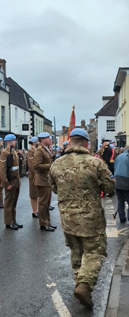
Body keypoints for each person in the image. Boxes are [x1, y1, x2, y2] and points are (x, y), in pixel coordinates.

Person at [49, 128, 115, 307]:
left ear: (70, 142)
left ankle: (79, 282)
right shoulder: (95, 163)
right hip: (90, 218)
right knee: (94, 252)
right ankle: (84, 285)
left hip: (67, 218)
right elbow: (109, 187)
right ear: (86, 143)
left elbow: (53, 187)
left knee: (76, 252)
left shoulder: (57, 164)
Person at [31, 132, 57, 231]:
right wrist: (51, 166)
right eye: (47, 138)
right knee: (43, 203)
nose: (49, 139)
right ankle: (43, 223)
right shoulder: (39, 151)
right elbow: (36, 165)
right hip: (42, 180)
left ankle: (47, 222)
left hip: (47, 179)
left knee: (47, 203)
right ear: (42, 140)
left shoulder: (46, 149)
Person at [0, 134, 23, 230]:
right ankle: (8, 222)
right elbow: (2, 170)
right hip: (10, 180)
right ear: (8, 141)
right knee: (9, 202)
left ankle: (13, 220)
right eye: (14, 140)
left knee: (14, 202)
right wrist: (6, 183)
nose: (15, 142)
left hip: (16, 180)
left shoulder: (13, 152)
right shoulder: (4, 153)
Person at [114, 148, 129, 223]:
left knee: (120, 201)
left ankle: (122, 218)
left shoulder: (119, 156)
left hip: (117, 180)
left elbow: (115, 167)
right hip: (126, 181)